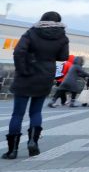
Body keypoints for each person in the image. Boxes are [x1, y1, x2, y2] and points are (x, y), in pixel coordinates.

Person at [4, 12, 69, 160]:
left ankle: (12, 151)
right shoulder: (62, 36)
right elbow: (63, 56)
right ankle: (33, 142)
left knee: (17, 114)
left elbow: (18, 51)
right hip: (45, 76)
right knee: (36, 112)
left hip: (25, 77)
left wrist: (23, 70)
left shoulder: (32, 32)